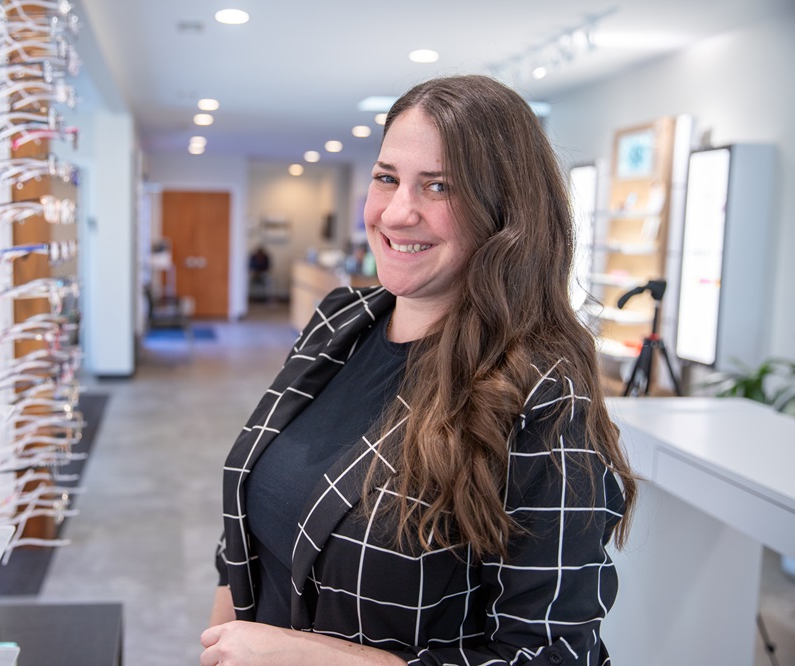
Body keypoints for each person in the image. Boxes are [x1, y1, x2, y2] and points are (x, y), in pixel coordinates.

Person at [201, 74, 637, 666]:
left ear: (505, 211)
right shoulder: (340, 323)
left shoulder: (543, 396)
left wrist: (301, 655)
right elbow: (243, 546)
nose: (398, 212)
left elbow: (547, 655)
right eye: (387, 178)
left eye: (439, 187)